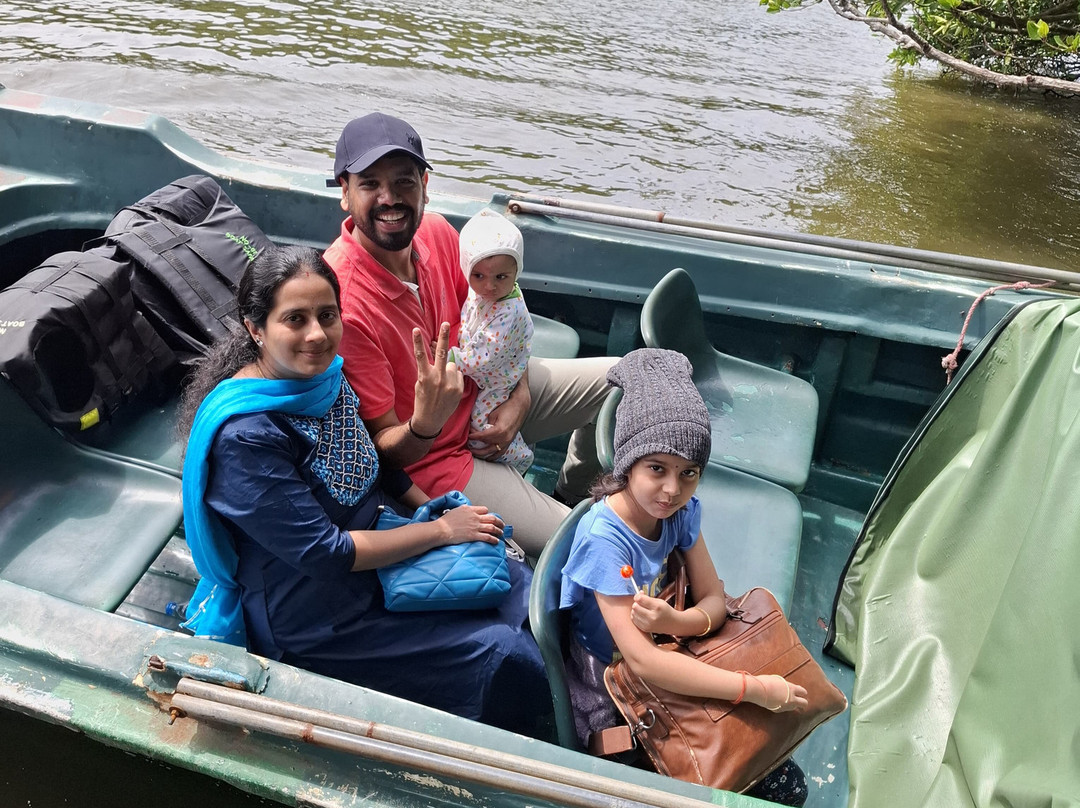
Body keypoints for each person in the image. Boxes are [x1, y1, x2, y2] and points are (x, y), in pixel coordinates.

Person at [176, 244, 550, 735]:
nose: (316, 334)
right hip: (316, 612)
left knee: (521, 589)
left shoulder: (324, 379)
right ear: (255, 329)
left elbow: (375, 466)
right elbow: (323, 553)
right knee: (506, 652)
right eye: (295, 319)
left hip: (381, 547)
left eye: (327, 315)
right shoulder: (246, 438)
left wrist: (438, 511)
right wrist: (439, 533)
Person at [323, 112, 615, 556]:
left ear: (425, 184)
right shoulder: (342, 301)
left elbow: (503, 323)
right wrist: (425, 423)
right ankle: (566, 526)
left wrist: (520, 396)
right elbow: (383, 457)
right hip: (439, 458)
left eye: (404, 182)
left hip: (491, 395)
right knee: (600, 540)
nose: (389, 198)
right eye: (369, 184)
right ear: (345, 192)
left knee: (627, 377)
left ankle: (572, 492)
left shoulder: (439, 234)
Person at [559, 348, 809, 805]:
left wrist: (679, 624)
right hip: (616, 686)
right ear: (627, 463)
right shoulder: (604, 540)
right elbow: (644, 664)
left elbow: (715, 598)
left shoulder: (679, 513)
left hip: (673, 650)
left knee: (777, 771)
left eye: (689, 474)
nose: (673, 489)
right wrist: (752, 690)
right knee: (767, 784)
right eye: (657, 469)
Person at [452, 207, 534, 475]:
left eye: (501, 277)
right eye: (479, 276)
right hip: (499, 366)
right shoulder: (492, 295)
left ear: (515, 273)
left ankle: (519, 457)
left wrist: (454, 357)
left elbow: (485, 356)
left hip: (499, 377)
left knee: (480, 428)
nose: (489, 286)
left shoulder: (507, 310)